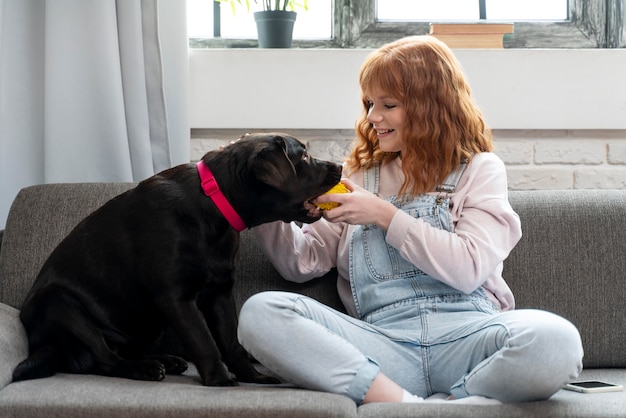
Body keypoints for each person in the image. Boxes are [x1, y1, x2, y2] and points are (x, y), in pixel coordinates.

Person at [237, 35, 583, 405]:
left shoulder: (480, 170)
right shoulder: (358, 177)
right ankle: (411, 406)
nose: (372, 117)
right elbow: (302, 263)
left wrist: (384, 215)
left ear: (428, 107)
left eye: (388, 104)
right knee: (261, 312)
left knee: (556, 340)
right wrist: (264, 201)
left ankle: (446, 404)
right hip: (384, 345)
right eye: (370, 103)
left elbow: (468, 268)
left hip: (468, 335)